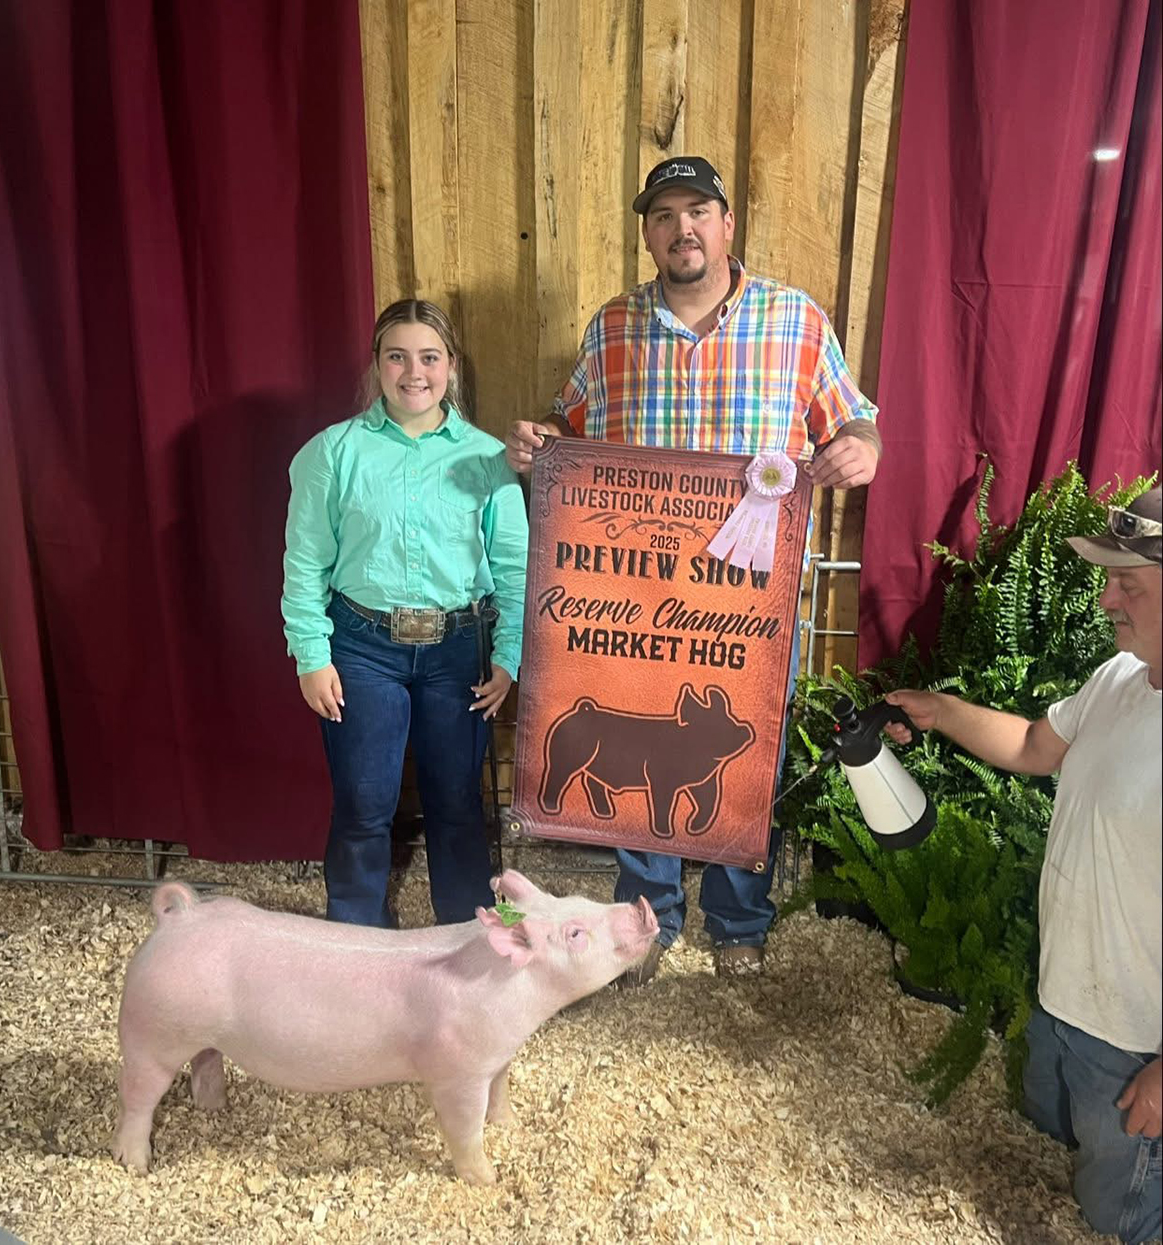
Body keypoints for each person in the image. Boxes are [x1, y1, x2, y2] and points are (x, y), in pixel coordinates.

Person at [505, 156, 881, 981]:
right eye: (665, 214)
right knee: (644, 753)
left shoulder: (797, 320)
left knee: (748, 759)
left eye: (698, 211)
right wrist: (539, 446)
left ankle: (740, 921)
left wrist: (862, 447)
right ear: (647, 232)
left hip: (755, 601)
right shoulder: (611, 328)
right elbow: (570, 430)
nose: (683, 228)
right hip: (640, 599)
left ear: (726, 224)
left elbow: (853, 417)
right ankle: (649, 919)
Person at [886, 487, 1162, 1245]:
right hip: (1066, 999)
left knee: (1123, 1212)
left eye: (1127, 582)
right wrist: (942, 710)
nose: (1106, 596)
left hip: (1138, 1038)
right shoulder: (1118, 682)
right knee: (1053, 1130)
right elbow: (1032, 747)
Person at [282, 299, 528, 928]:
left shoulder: (487, 458)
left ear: (451, 367)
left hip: (459, 650)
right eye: (397, 356)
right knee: (365, 803)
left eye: (428, 357)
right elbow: (305, 562)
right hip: (362, 647)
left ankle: (470, 939)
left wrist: (508, 657)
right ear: (377, 365)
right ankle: (356, 939)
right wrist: (312, 655)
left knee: (456, 802)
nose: (413, 372)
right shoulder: (332, 454)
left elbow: (514, 567)